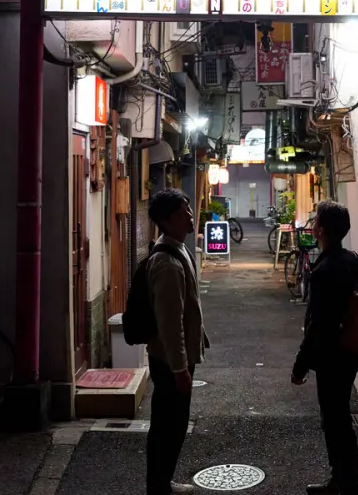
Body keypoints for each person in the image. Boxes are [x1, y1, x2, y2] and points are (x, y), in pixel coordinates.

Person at [291, 201, 358, 495]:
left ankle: (344, 483)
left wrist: (300, 365)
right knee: (339, 418)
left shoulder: (325, 270)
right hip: (351, 349)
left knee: (335, 420)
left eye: (316, 221)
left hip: (331, 355)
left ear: (320, 230)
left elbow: (318, 325)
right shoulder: (354, 261)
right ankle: (346, 480)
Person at [146, 188, 210, 495]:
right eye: (184, 210)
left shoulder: (178, 249)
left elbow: (187, 310)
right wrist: (180, 368)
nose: (190, 214)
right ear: (168, 219)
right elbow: (170, 325)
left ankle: (162, 482)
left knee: (171, 424)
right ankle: (159, 486)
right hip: (170, 361)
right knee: (168, 426)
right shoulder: (168, 262)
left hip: (175, 359)